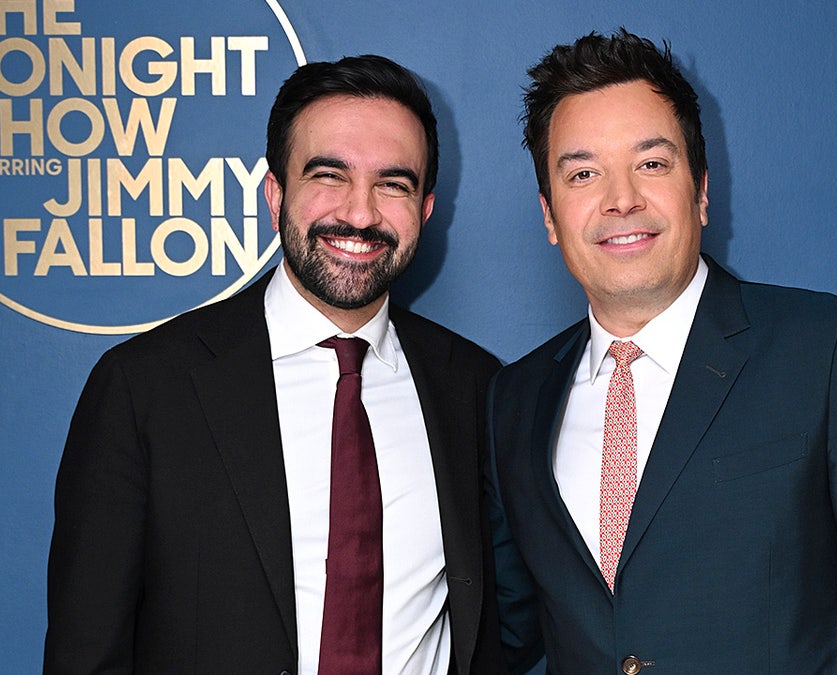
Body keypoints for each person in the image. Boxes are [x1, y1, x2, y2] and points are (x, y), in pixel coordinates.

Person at [487, 29, 837, 673]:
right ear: (550, 215)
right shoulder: (516, 398)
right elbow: (502, 635)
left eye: (652, 163)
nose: (621, 198)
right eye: (583, 174)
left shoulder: (832, 351)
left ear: (702, 190)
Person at [45, 54, 504, 674]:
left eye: (393, 184)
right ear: (275, 193)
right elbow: (86, 654)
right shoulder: (145, 387)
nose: (361, 213)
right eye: (329, 176)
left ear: (423, 209)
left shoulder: (477, 389)